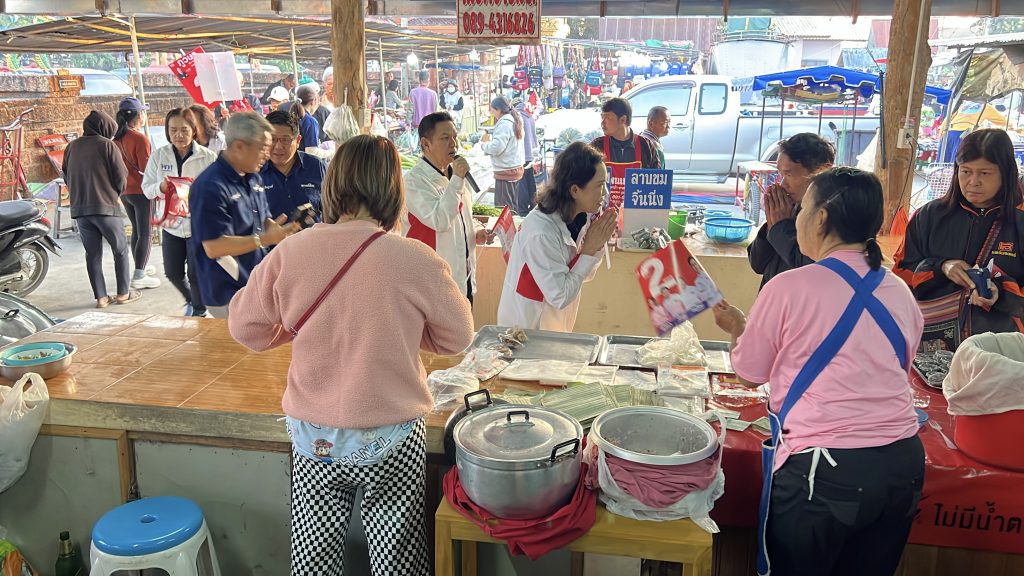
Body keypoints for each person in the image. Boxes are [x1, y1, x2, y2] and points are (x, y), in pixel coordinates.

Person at [227, 134, 474, 576]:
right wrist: (399, 328)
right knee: (398, 558)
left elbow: (246, 328)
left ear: (333, 184)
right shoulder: (415, 258)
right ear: (393, 189)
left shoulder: (290, 252)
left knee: (313, 556)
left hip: (314, 436)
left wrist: (294, 326)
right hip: (392, 436)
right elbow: (458, 336)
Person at [713, 167, 924, 576]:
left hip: (825, 471)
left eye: (803, 209)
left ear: (822, 217)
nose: (797, 220)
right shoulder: (899, 290)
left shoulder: (790, 286)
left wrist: (739, 328)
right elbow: (897, 365)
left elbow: (749, 374)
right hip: (902, 464)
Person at [894, 128, 1024, 351]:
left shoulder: (1019, 221)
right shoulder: (929, 216)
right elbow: (900, 274)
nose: (973, 182)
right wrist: (940, 267)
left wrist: (1001, 292)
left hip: (998, 349)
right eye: (966, 171)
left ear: (1006, 173)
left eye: (985, 173)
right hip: (929, 344)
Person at [497, 142, 618, 332]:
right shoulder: (541, 232)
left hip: (554, 324)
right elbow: (560, 296)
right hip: (527, 330)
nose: (605, 193)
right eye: (600, 186)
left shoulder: (581, 217)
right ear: (575, 190)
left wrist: (597, 243)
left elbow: (584, 275)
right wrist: (589, 250)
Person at [189, 112, 295, 319]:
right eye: (263, 148)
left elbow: (262, 219)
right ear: (239, 146)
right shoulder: (210, 186)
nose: (268, 155)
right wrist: (264, 239)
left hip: (255, 280)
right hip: (227, 289)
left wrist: (277, 230)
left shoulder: (253, 177)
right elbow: (214, 247)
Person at [404, 112, 489, 304]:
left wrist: (475, 230)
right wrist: (457, 179)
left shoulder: (456, 175)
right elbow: (440, 220)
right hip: (431, 285)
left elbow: (462, 215)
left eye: (454, 137)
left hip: (464, 276)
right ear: (426, 144)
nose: (453, 144)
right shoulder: (414, 181)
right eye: (445, 138)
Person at [142, 107, 217, 317]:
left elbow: (218, 190)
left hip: (197, 227)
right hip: (171, 225)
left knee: (195, 274)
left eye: (184, 130)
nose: (179, 135)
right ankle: (192, 300)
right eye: (173, 130)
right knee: (172, 272)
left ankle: (199, 311)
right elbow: (146, 188)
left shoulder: (208, 157)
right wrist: (161, 187)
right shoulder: (159, 156)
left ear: (193, 130)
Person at [62, 111, 140, 308]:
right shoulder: (107, 145)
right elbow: (121, 176)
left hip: (80, 210)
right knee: (120, 250)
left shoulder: (71, 146)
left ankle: (101, 298)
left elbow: (65, 174)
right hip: (105, 207)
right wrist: (114, 194)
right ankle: (123, 294)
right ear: (105, 128)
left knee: (92, 254)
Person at [747, 133, 835, 289]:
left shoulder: (831, 218)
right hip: (772, 299)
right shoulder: (790, 208)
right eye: (780, 174)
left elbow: (811, 270)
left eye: (789, 174)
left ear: (821, 172)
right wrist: (771, 224)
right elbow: (757, 264)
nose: (782, 184)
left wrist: (781, 227)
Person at [112, 97, 159, 290]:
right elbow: (147, 170)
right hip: (142, 190)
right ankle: (139, 274)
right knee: (146, 232)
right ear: (139, 116)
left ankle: (141, 266)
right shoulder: (140, 139)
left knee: (137, 231)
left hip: (125, 191)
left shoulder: (115, 140)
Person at [590, 97, 660, 213]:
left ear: (623, 119)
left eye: (608, 118)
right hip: (604, 215)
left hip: (637, 214)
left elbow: (657, 183)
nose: (602, 122)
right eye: (602, 117)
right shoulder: (597, 146)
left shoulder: (646, 146)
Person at [260, 110, 327, 223]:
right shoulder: (255, 170)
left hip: (313, 234)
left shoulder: (317, 167)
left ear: (298, 141)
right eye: (272, 139)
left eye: (285, 140)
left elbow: (333, 208)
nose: (278, 146)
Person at [480, 96, 526, 215]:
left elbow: (497, 148)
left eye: (493, 110)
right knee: (512, 209)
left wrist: (484, 145)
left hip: (507, 172)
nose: (492, 114)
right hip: (514, 169)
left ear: (499, 109)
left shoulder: (505, 123)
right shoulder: (514, 119)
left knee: (503, 211)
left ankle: (510, 227)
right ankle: (514, 226)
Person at [515, 99, 540, 215]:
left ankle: (523, 210)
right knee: (531, 181)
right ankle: (534, 206)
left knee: (522, 183)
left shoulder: (517, 116)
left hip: (522, 154)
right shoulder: (529, 115)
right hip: (531, 153)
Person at [283, 86, 321, 151]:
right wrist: (330, 152)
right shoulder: (310, 122)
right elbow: (311, 151)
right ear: (313, 101)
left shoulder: (289, 116)